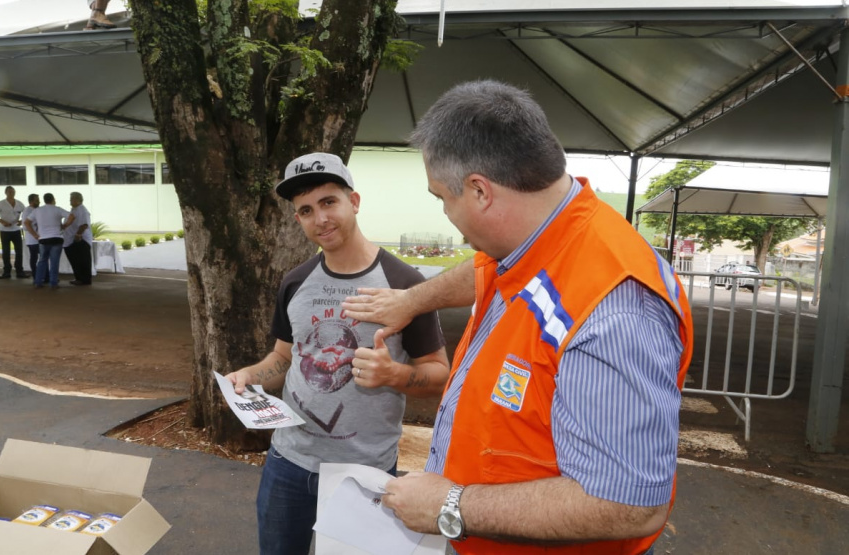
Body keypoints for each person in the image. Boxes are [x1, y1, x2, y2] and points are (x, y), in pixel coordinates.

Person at [342, 80, 695, 555]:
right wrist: (413, 300)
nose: (446, 212)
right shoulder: (545, 234)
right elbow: (483, 266)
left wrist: (452, 505)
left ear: (480, 191)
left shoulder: (616, 312)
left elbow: (627, 505)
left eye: (442, 197)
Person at [224, 152, 450, 555]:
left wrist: (393, 375)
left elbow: (440, 375)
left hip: (362, 472)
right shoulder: (295, 282)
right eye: (306, 210)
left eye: (330, 202)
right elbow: (283, 358)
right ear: (298, 220)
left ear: (355, 201)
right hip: (288, 462)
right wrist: (249, 377)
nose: (320, 219)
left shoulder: (404, 283)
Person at [25, 193, 75, 290]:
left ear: (44, 200)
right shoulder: (57, 209)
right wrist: (65, 226)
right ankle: (53, 283)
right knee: (54, 262)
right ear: (53, 199)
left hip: (43, 239)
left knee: (42, 261)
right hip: (57, 238)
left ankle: (38, 282)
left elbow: (26, 222)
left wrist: (34, 234)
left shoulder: (37, 210)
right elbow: (72, 216)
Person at [0, 186, 29, 280]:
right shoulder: (0, 204)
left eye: (13, 192)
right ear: (6, 193)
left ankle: (19, 271)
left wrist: (22, 221)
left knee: (19, 251)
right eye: (10, 192)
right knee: (6, 252)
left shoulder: (19, 204)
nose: (12, 193)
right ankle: (6, 272)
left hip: (16, 230)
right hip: (5, 231)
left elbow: (27, 214)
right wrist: (2, 221)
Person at [63, 192, 93, 286]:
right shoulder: (74, 209)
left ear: (78, 200)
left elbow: (84, 225)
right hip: (72, 239)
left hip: (80, 239)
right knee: (76, 260)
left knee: (82, 260)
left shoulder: (82, 211)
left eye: (72, 199)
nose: (70, 200)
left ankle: (84, 279)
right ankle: (79, 278)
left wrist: (78, 235)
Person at [21, 194, 42, 282]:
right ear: (31, 201)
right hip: (32, 239)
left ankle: (43, 275)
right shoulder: (27, 211)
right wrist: (35, 225)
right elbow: (25, 226)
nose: (39, 202)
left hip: (39, 238)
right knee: (34, 258)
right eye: (37, 200)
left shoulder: (37, 210)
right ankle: (35, 275)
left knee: (42, 257)